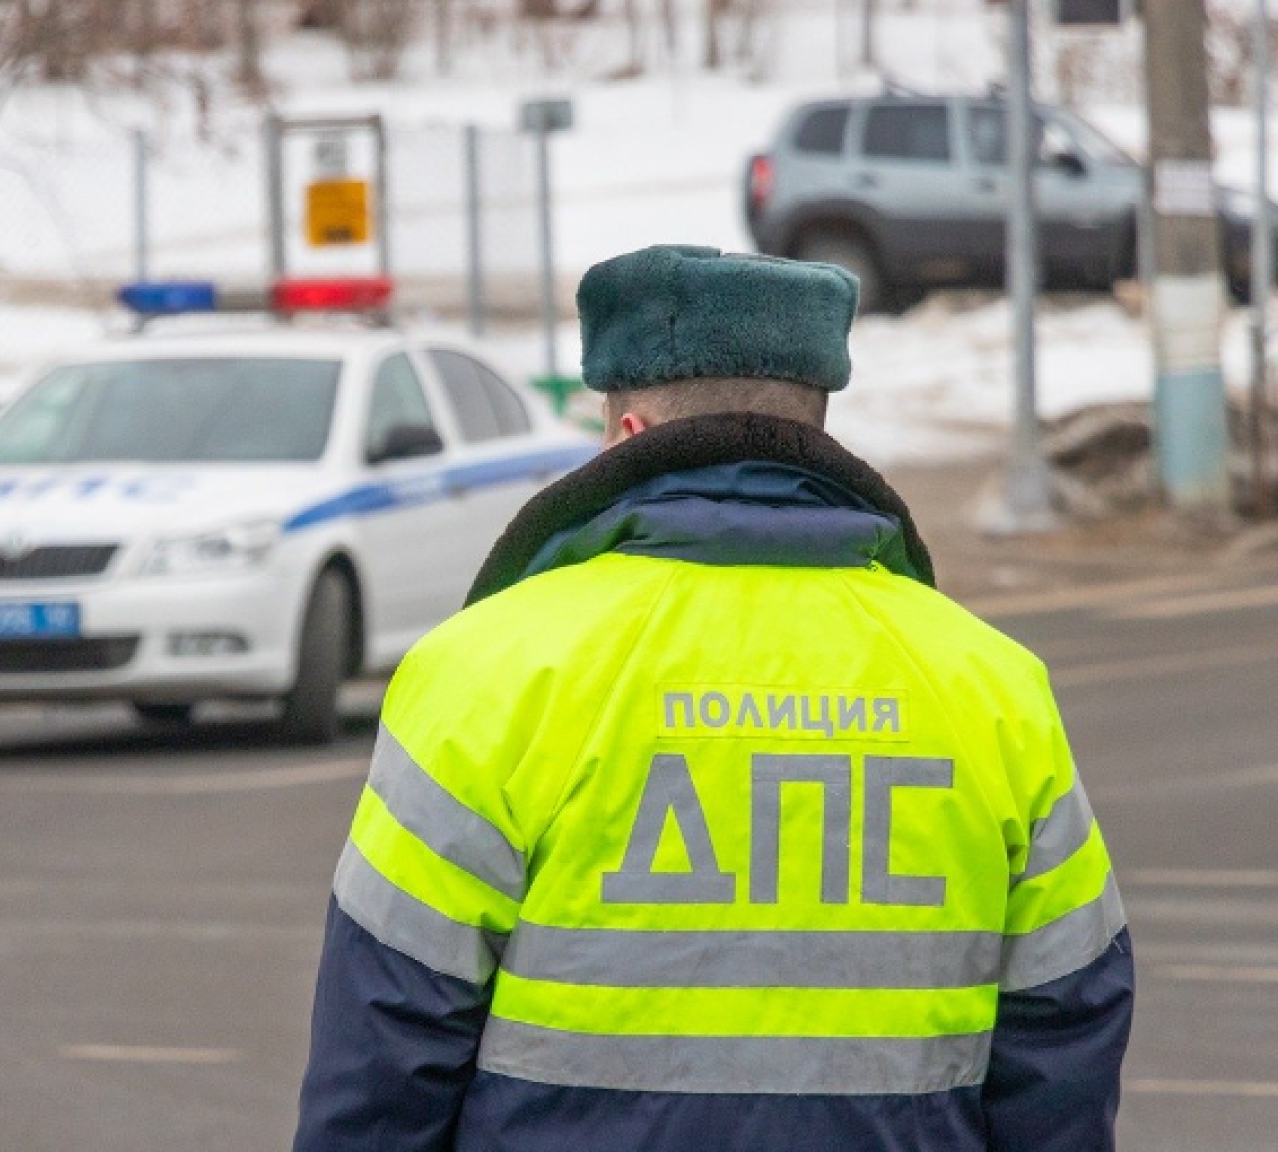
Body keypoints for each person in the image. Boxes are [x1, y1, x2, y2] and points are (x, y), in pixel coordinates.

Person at [293, 245, 1131, 1152]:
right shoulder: (992, 686)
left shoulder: (484, 672)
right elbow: (1065, 1030)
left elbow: (386, 1042)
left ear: (626, 436)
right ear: (817, 431)